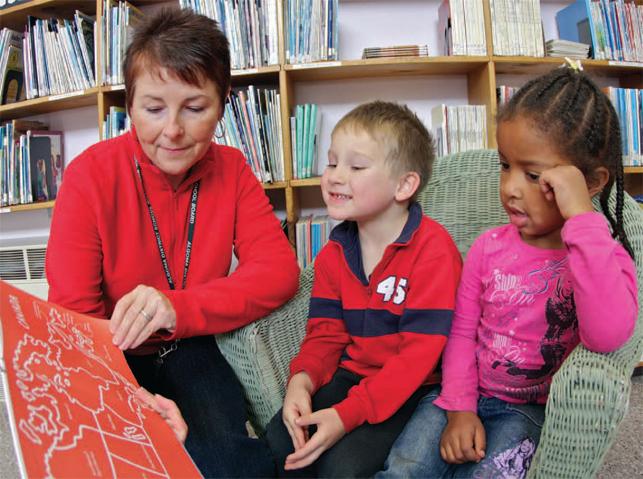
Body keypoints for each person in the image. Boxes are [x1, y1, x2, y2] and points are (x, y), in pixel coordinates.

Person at [45, 8, 299, 477]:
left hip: (193, 344)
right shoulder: (87, 176)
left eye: (195, 108)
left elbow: (279, 271)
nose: (173, 131)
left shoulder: (233, 168)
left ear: (223, 104)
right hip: (108, 356)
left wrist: (177, 309)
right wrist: (131, 399)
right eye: (154, 108)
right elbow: (76, 320)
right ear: (130, 103)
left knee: (225, 459)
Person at [378, 64, 638, 479]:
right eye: (505, 165)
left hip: (528, 412)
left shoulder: (603, 256)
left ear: (590, 182)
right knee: (403, 471)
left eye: (534, 176)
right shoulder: (487, 249)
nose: (511, 188)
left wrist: (581, 218)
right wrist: (460, 407)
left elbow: (607, 335)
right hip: (460, 394)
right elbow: (461, 332)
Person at [264, 101, 463, 477]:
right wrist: (301, 382)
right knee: (277, 446)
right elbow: (324, 336)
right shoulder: (334, 254)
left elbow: (415, 360)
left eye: (355, 167)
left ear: (404, 184)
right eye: (332, 162)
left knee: (343, 468)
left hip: (414, 389)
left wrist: (345, 416)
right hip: (352, 377)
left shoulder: (434, 253)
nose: (336, 176)